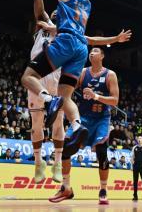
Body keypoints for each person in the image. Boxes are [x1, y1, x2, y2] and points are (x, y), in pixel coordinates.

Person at [26, 0, 132, 183]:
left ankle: (57, 163)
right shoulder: (44, 22)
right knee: (36, 123)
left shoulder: (65, 27)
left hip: (55, 71)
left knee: (57, 121)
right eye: (54, 13)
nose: (56, 13)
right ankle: (38, 163)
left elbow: (91, 39)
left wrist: (114, 39)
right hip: (46, 71)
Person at [49, 47, 120, 205]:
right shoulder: (82, 73)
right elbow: (67, 90)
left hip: (101, 119)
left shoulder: (110, 75)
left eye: (95, 51)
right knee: (66, 147)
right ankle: (66, 187)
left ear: (102, 56)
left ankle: (103, 190)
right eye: (91, 51)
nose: (91, 53)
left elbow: (115, 100)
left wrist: (96, 96)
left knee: (102, 153)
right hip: (83, 117)